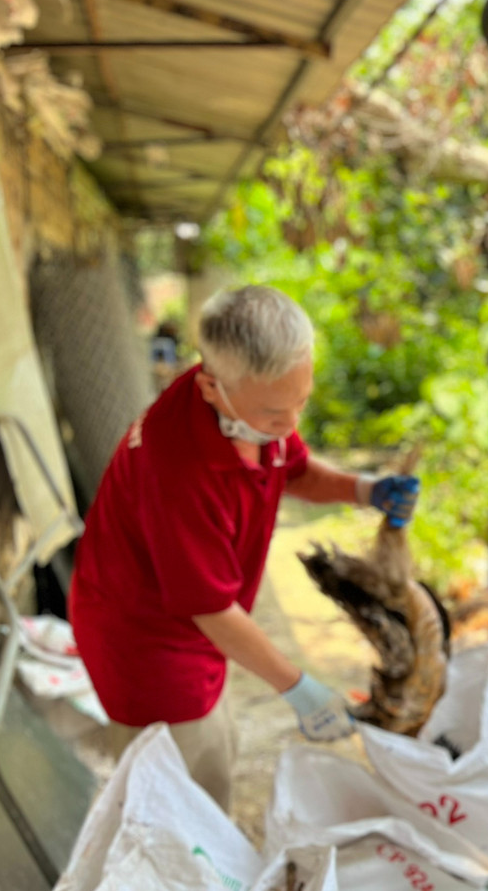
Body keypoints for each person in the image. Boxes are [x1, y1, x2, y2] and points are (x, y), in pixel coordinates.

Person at [69, 285, 420, 810]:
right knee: (184, 801)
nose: (291, 424)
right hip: (145, 642)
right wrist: (297, 686)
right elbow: (211, 609)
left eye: (302, 402)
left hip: (192, 627)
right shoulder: (178, 470)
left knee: (214, 752)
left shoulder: (249, 409)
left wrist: (363, 490)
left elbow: (292, 467)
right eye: (277, 415)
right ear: (212, 387)